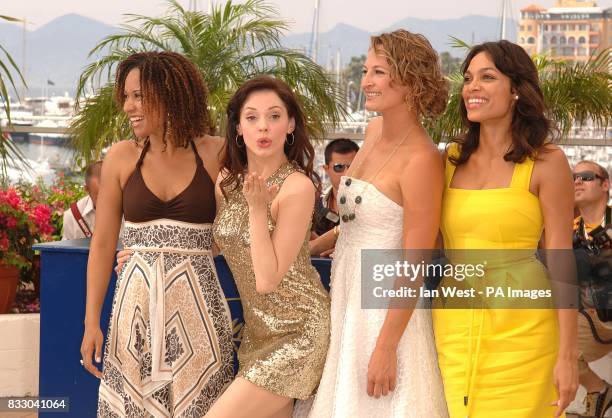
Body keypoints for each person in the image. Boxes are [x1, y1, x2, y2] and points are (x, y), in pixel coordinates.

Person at [299, 29, 450, 417]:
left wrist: (385, 346)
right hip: (347, 295)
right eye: (366, 70)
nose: (365, 81)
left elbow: (415, 260)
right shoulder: (373, 131)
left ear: (411, 81)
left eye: (378, 72)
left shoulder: (423, 160)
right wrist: (306, 250)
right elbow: (355, 221)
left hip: (384, 308)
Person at [80, 51, 234, 417]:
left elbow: (238, 232)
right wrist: (91, 322)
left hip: (199, 314)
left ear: (171, 94)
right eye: (127, 97)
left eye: (139, 96)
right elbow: (102, 245)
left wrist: (180, 248)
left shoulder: (216, 153)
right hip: (134, 313)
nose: (129, 107)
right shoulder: (120, 157)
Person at [431, 40, 578, 418]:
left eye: (487, 77)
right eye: (467, 79)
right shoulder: (447, 160)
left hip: (526, 331)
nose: (472, 87)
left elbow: (561, 260)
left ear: (516, 90)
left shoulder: (547, 161)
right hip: (453, 326)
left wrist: (568, 355)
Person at [206, 76, 330, 418]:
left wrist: (258, 210)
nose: (264, 126)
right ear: (237, 128)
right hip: (257, 334)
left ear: (290, 125)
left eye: (275, 116)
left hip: (299, 333)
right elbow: (218, 244)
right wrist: (152, 253)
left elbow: (267, 280)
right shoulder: (226, 182)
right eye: (252, 117)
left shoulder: (297, 188)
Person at [572, 160, 612, 418]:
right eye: (573, 178)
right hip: (594, 317)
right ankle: (598, 389)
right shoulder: (569, 230)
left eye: (586, 177)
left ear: (605, 184)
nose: (577, 182)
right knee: (555, 346)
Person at [312, 138, 359, 237]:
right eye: (339, 167)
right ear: (326, 169)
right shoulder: (314, 204)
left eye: (352, 167)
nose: (347, 173)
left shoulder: (373, 204)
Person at [62, 161, 102, 240]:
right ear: (87, 189)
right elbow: (66, 250)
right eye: (99, 197)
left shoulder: (128, 211)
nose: (107, 201)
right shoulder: (72, 215)